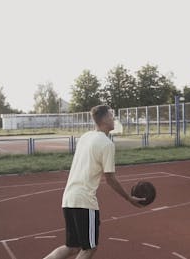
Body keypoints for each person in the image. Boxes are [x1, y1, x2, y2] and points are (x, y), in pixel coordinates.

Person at [43, 105, 145, 259]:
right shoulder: (107, 144)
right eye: (111, 116)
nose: (114, 119)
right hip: (85, 201)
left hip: (69, 197)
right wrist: (129, 198)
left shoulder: (86, 136)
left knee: (72, 247)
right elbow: (110, 178)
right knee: (89, 249)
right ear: (104, 119)